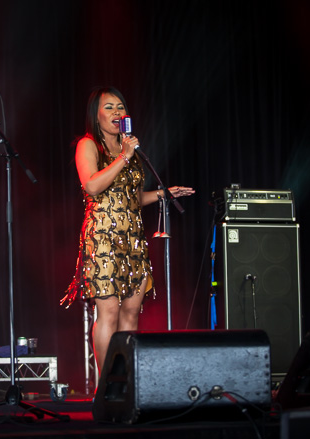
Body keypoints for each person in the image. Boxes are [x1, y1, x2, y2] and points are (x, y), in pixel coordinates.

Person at [62, 87, 194, 374]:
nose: (117, 112)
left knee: (131, 311)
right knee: (108, 311)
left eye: (120, 106)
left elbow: (131, 199)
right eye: (109, 107)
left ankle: (126, 380)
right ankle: (105, 383)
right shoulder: (89, 145)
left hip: (133, 237)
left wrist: (164, 194)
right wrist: (123, 155)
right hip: (103, 237)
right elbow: (93, 186)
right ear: (95, 116)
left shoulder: (130, 150)